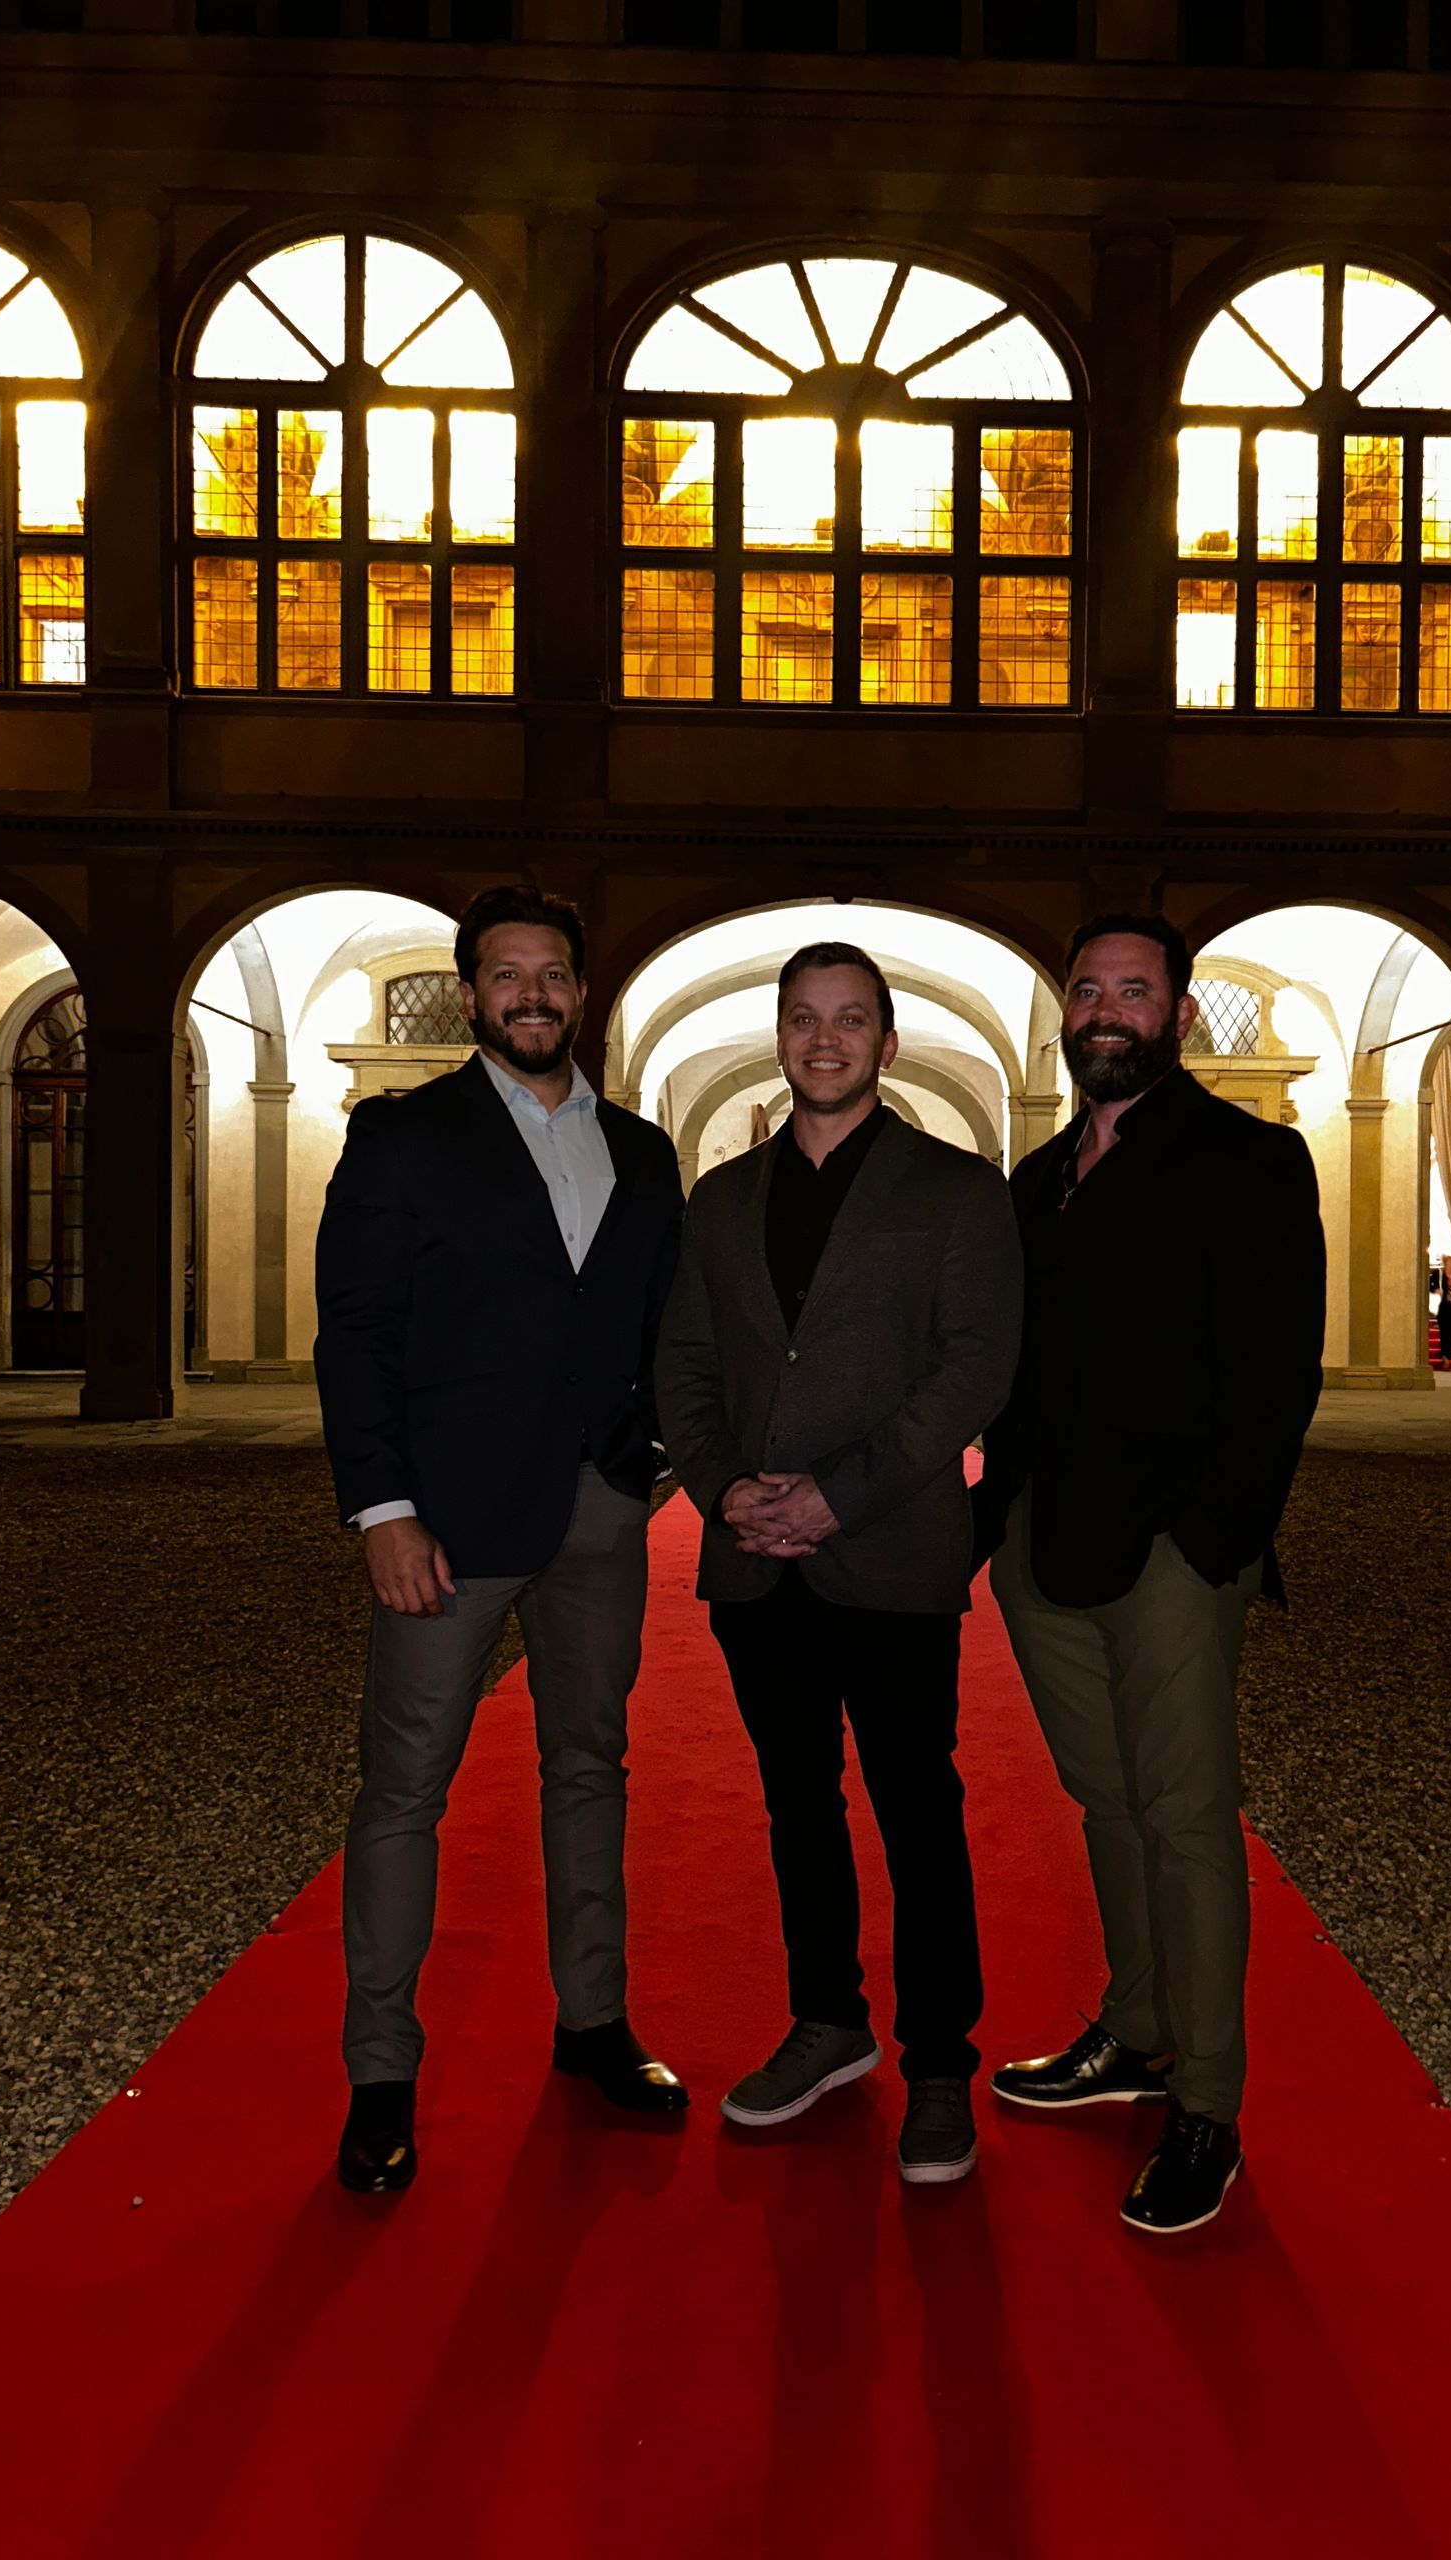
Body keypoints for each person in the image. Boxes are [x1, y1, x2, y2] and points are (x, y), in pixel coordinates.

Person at [315, 884, 688, 2194]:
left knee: (592, 1766)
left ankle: (593, 2026)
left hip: (598, 1512)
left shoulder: (644, 1154)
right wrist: (382, 1510)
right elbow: (354, 1334)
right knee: (405, 1794)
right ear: (471, 996)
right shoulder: (403, 1139)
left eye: (554, 975)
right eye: (507, 976)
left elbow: (662, 1328)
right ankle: (381, 2077)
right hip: (447, 1522)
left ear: (583, 994)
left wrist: (652, 1460)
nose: (533, 995)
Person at [974, 913, 1325, 2236]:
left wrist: (1215, 1539)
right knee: (1104, 1798)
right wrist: (986, 1522)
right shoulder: (1037, 1178)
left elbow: (1276, 1370)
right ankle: (1139, 2033)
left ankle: (1209, 2109)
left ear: (1177, 1016)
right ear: (1065, 1016)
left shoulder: (1250, 1161)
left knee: (1183, 1814)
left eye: (1134, 990)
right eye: (1087, 990)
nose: (1107, 1009)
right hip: (1043, 1543)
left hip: (1177, 1549)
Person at [655, 943, 1023, 2186]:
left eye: (850, 1019)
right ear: (777, 1033)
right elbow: (687, 1367)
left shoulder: (961, 1192)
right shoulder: (721, 1199)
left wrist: (838, 1496)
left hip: (893, 1556)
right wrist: (722, 1489)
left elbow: (972, 1371)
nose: (825, 1040)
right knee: (795, 1805)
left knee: (921, 1810)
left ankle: (937, 2066)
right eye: (804, 1019)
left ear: (889, 1040)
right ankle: (828, 2024)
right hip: (757, 1566)